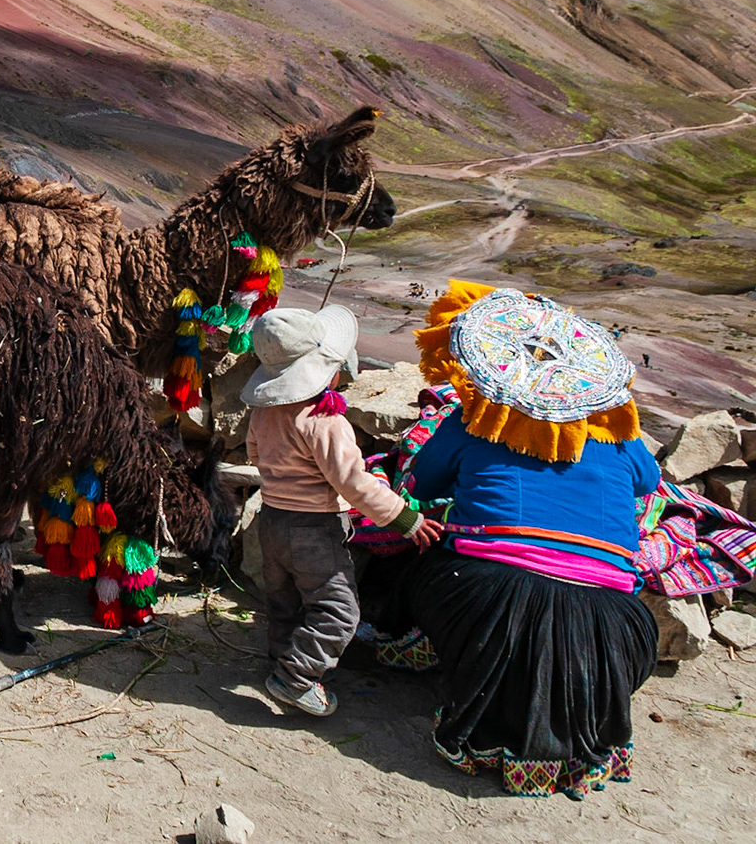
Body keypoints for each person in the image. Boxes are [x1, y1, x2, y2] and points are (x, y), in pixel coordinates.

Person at [398, 281, 661, 799]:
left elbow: (421, 484)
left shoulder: (478, 418)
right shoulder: (617, 434)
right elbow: (649, 483)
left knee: (418, 555)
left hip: (489, 602)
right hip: (613, 627)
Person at [242, 305, 442, 718]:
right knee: (339, 610)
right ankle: (295, 678)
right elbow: (353, 483)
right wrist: (407, 519)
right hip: (313, 530)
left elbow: (255, 455)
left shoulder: (263, 411)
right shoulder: (324, 421)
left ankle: (284, 657)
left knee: (284, 600)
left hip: (272, 519)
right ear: (329, 372)